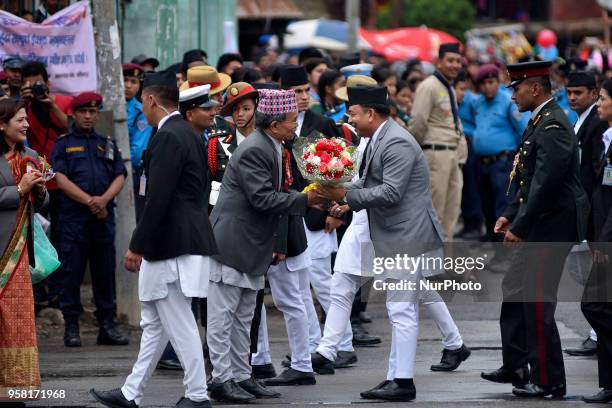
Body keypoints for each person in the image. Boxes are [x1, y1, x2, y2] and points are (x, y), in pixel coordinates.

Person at [91, 70, 217, 408]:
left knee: (177, 319)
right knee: (156, 323)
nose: (141, 110)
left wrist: (137, 245)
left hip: (174, 244)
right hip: (175, 241)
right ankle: (131, 392)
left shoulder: (170, 136)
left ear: (150, 99)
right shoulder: (183, 133)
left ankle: (197, 394)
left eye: (141, 102)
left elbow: (159, 197)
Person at [312, 86, 445, 401]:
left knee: (402, 309)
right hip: (394, 234)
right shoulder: (379, 138)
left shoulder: (396, 141)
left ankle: (403, 381)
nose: (350, 119)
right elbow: (368, 183)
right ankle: (396, 378)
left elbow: (390, 193)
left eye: (354, 114)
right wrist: (339, 194)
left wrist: (345, 195)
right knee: (399, 307)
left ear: (371, 113)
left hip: (406, 236)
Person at [206, 89, 324, 402]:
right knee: (223, 317)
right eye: (291, 121)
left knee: (245, 316)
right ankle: (221, 379)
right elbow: (262, 199)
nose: (294, 126)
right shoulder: (257, 149)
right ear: (274, 125)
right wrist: (306, 199)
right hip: (232, 243)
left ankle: (242, 375)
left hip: (251, 244)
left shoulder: (272, 145)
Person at [482, 61, 588, 398]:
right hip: (539, 220)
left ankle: (549, 380)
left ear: (535, 88)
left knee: (538, 302)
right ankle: (516, 363)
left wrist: (522, 226)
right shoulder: (540, 121)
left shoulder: (553, 124)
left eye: (516, 88)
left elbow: (546, 183)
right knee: (515, 288)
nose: (512, 95)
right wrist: (511, 214)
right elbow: (527, 179)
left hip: (552, 225)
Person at [51, 92, 128, 348]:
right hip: (73, 220)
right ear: (73, 113)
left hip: (102, 219)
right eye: (83, 111)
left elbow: (120, 174)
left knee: (104, 273)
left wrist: (103, 200)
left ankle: (107, 325)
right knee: (71, 273)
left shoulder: (106, 143)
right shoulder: (63, 144)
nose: (88, 116)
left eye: (92, 112)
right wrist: (90, 201)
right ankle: (71, 326)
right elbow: (59, 178)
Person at [0, 98, 48, 403]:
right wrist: (19, 189)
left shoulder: (32, 156)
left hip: (20, 249)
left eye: (26, 120)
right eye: (19, 120)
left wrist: (39, 190)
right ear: (1, 124)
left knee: (17, 315)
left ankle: (17, 385)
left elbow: (42, 204)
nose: (26, 125)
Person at [564, 71, 608, 358]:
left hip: (596, 214)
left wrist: (593, 222)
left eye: (578, 93)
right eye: (568, 93)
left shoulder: (596, 125)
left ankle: (598, 334)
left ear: (593, 94)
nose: (571, 98)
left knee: (595, 281)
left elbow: (596, 176)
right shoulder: (582, 121)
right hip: (584, 212)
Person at [408, 43, 468, 239]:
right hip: (436, 154)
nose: (455, 65)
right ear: (439, 61)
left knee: (452, 213)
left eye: (458, 61)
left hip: (452, 155)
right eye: (450, 60)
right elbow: (418, 123)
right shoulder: (428, 86)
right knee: (434, 212)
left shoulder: (448, 87)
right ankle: (429, 263)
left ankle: (445, 262)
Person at [468, 64, 528, 241]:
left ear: (498, 81)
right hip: (481, 161)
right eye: (483, 83)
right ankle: (490, 235)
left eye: (491, 82)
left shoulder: (508, 101)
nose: (487, 86)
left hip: (502, 162)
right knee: (485, 202)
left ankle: (502, 245)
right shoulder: (477, 103)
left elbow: (522, 130)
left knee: (503, 204)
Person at [580, 78, 612, 404]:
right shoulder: (606, 138)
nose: (599, 104)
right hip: (602, 234)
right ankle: (609, 384)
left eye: (603, 98)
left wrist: (603, 240)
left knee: (594, 304)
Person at [208, 81, 258, 206]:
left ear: (256, 109)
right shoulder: (217, 144)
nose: (240, 114)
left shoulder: (269, 143)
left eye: (246, 109)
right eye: (235, 109)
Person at [455, 70, 483, 239]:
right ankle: (467, 223)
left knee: (472, 186)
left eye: (464, 88)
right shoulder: (449, 101)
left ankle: (476, 224)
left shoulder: (472, 100)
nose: (462, 92)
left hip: (470, 143)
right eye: (459, 88)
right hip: (457, 144)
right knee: (462, 186)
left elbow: (481, 123)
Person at [123, 63, 153, 220]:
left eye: (133, 82)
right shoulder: (102, 106)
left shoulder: (140, 111)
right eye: (125, 80)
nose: (128, 85)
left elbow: (136, 151)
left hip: (129, 172)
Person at [180, 66, 232, 141]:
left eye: (221, 93)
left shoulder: (223, 124)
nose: (222, 99)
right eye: (215, 95)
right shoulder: (180, 133)